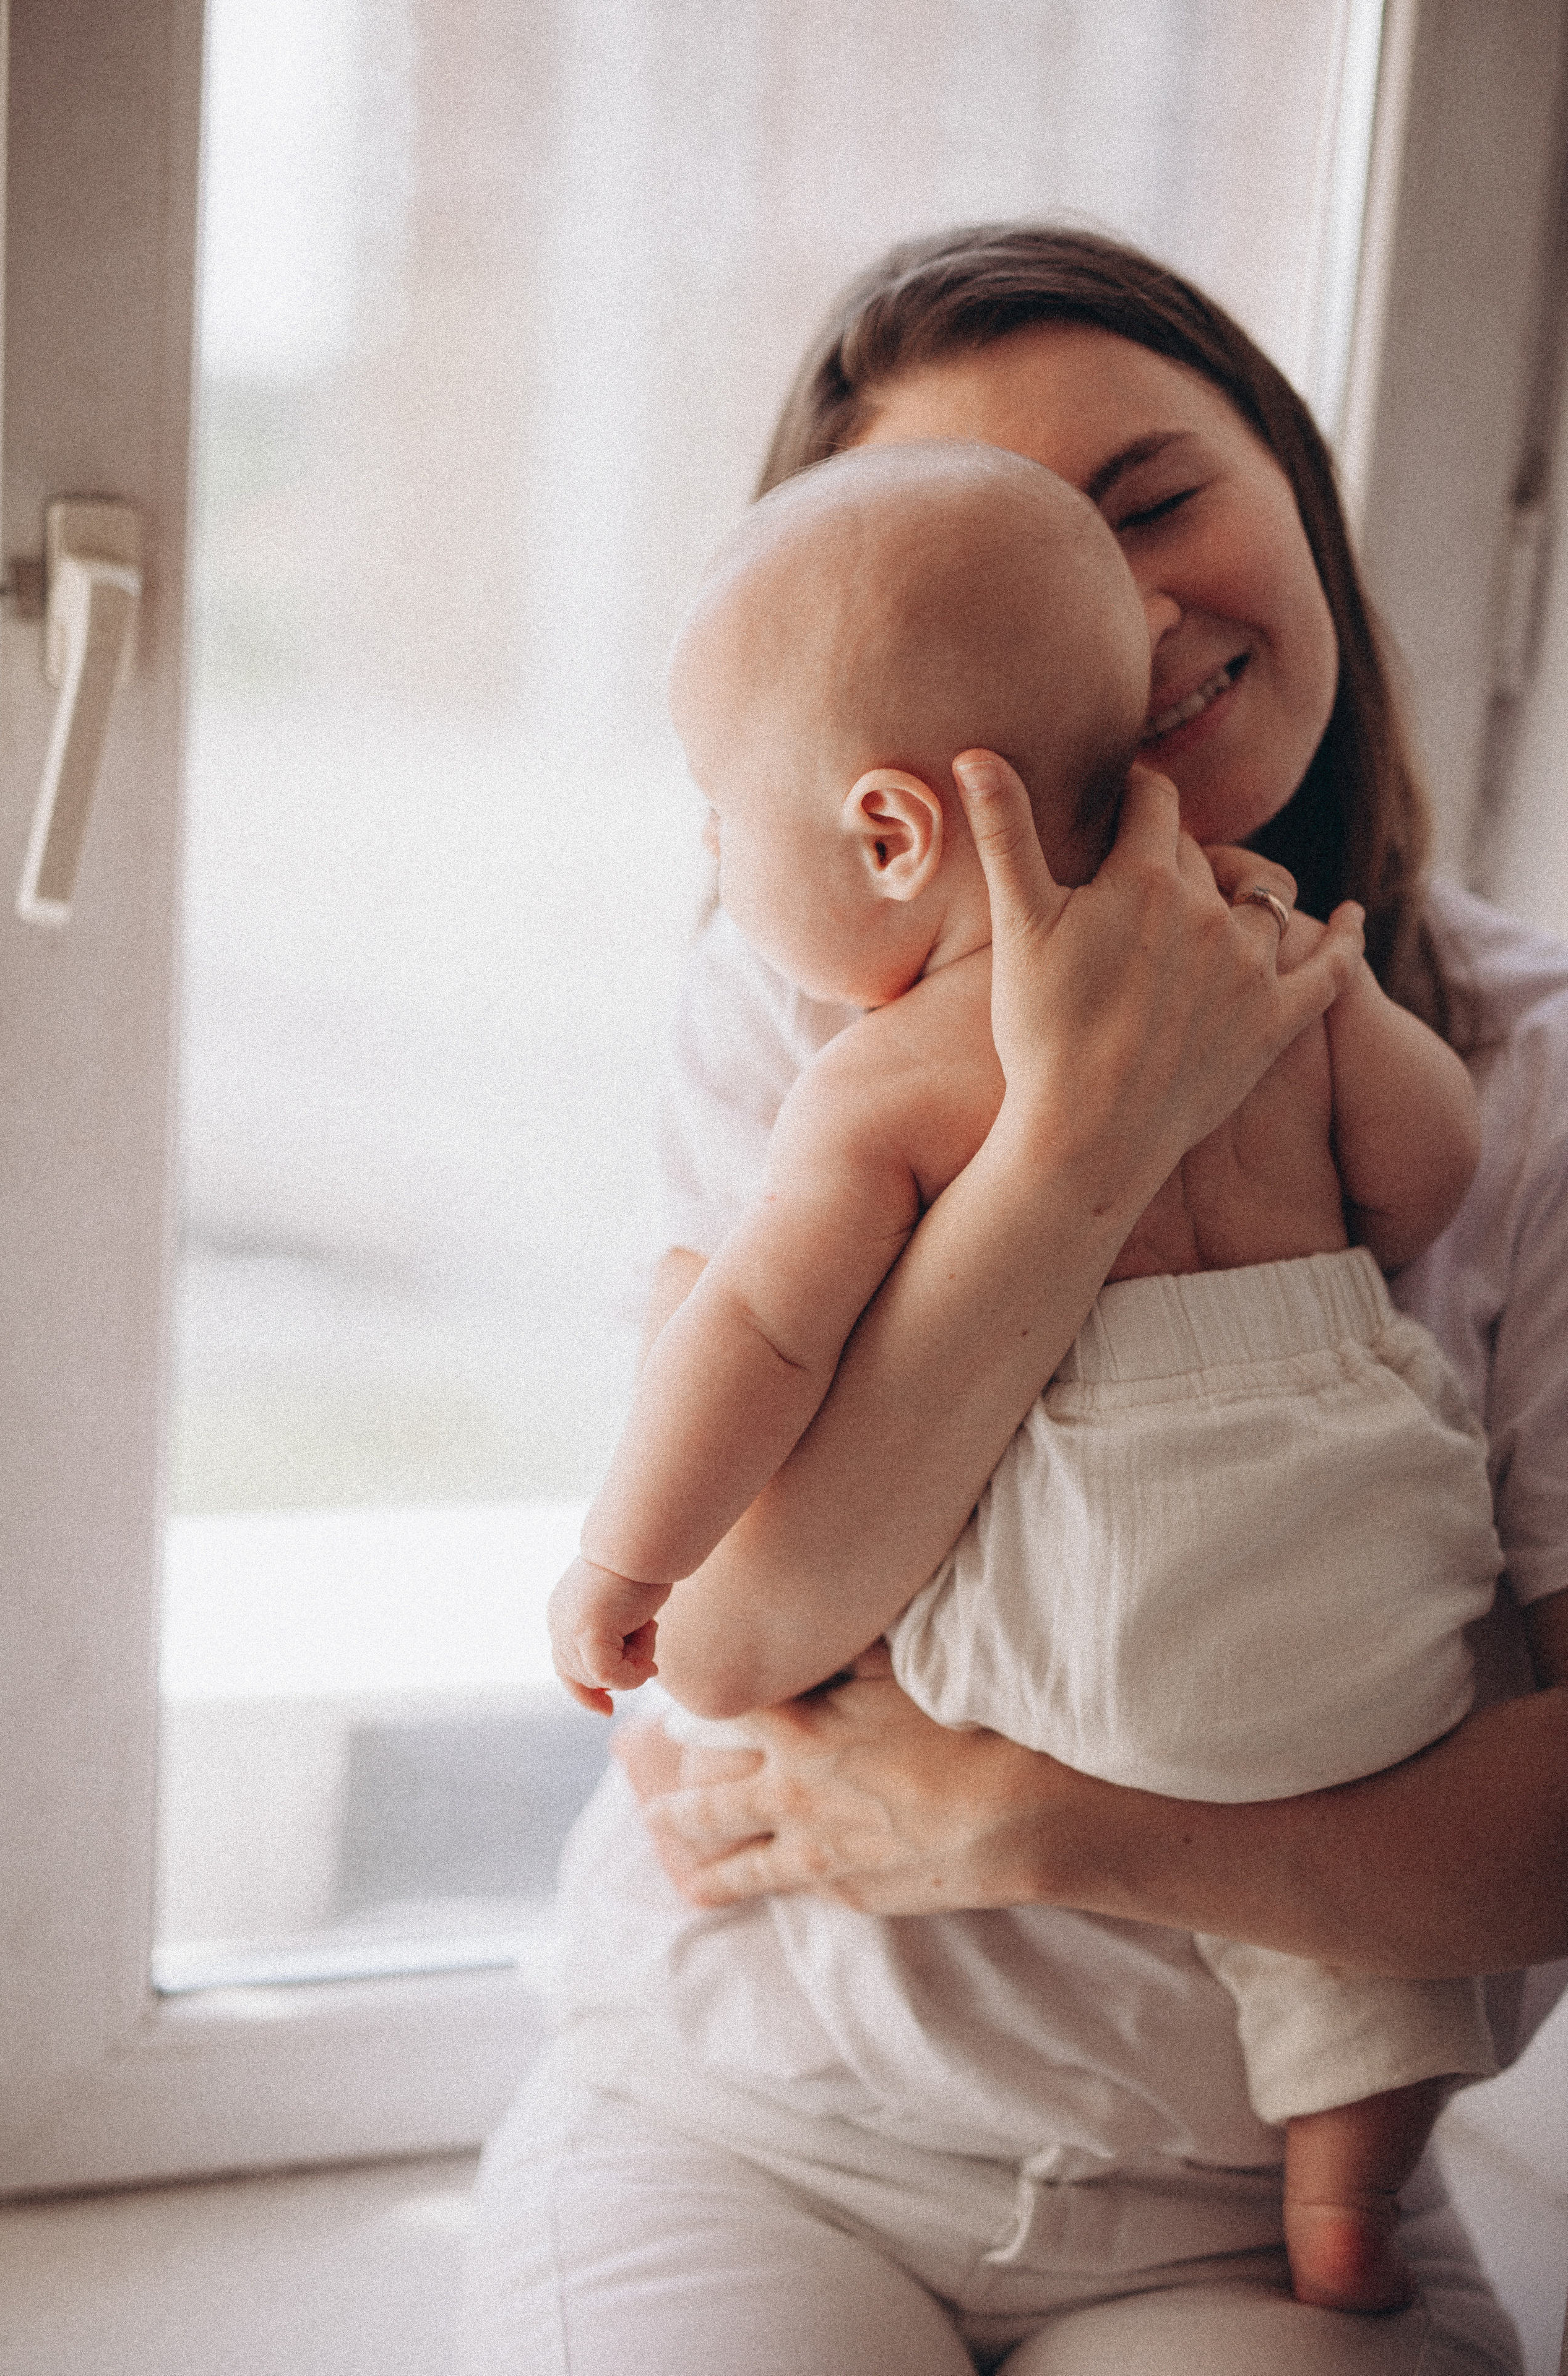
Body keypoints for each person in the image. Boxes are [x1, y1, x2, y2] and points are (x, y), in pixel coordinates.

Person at [460, 227, 1568, 2375]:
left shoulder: (1492, 1052)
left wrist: (1027, 1825)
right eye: (1006, 565)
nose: (1116, 626)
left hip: (1241, 2199)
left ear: (1296, 479)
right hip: (755, 2109)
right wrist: (1069, 1154)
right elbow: (737, 1642)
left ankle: (1348, 2203)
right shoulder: (807, 1018)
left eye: (1149, 504)